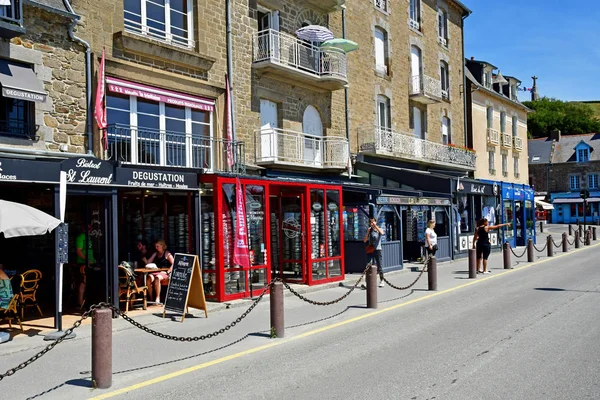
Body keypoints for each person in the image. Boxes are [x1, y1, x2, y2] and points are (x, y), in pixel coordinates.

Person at [145, 240, 174, 304]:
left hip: (165, 273)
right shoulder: (156, 253)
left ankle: (157, 298)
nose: (156, 248)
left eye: (158, 246)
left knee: (157, 278)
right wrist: (145, 259)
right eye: (155, 246)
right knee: (148, 278)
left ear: (162, 246)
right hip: (156, 272)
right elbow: (148, 262)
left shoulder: (167, 254)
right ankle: (151, 297)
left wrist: (168, 271)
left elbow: (174, 263)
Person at [75, 224, 95, 307]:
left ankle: (87, 301)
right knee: (83, 282)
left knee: (88, 282)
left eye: (91, 228)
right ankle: (80, 302)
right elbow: (78, 251)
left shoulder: (89, 237)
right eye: (88, 228)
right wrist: (87, 260)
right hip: (83, 264)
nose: (90, 230)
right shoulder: (80, 237)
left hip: (90, 263)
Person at [363, 217, 385, 288]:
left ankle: (382, 281)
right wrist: (367, 232)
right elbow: (365, 240)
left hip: (378, 249)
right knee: (368, 265)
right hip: (370, 250)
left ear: (376, 222)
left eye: (373, 222)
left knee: (379, 265)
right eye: (371, 222)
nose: (372, 224)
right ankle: (367, 282)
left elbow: (382, 233)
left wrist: (375, 226)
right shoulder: (370, 230)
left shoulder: (379, 229)